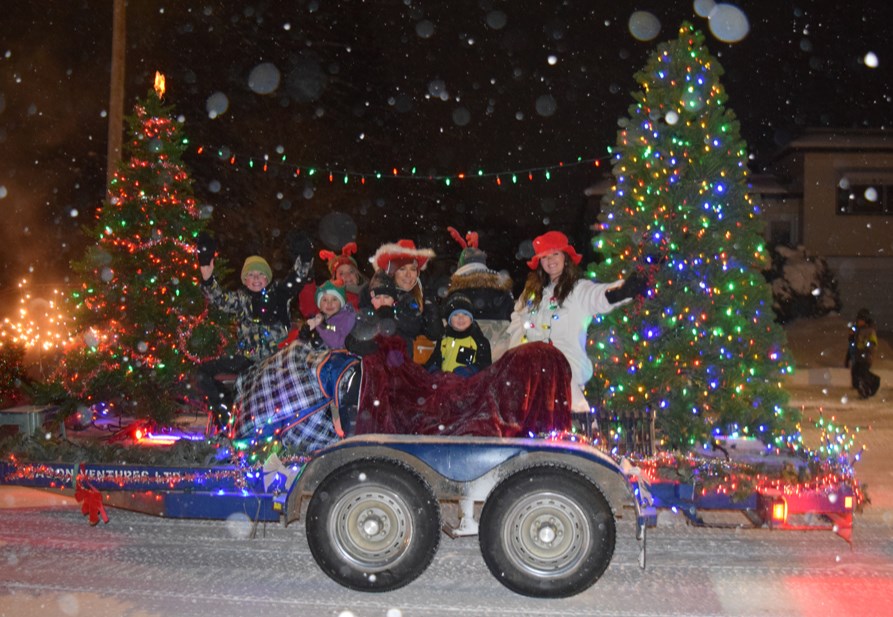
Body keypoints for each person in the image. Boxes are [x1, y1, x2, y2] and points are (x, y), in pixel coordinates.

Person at [507, 230, 647, 414]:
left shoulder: (577, 290)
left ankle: (581, 421)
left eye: (555, 254)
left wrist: (620, 292)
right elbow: (517, 320)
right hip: (532, 371)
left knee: (565, 407)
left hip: (566, 370)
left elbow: (596, 296)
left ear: (565, 257)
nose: (550, 261)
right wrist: (518, 351)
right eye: (545, 256)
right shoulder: (531, 294)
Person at [195, 238, 310, 425]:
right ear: (245, 280)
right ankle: (226, 416)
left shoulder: (278, 295)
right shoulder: (241, 299)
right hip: (247, 360)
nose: (256, 279)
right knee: (203, 373)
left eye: (261, 275)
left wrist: (304, 257)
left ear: (268, 278)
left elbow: (297, 277)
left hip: (276, 360)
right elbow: (219, 299)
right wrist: (207, 277)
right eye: (251, 275)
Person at [368, 239, 443, 363]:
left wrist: (431, 307)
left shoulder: (423, 298)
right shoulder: (379, 296)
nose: (408, 275)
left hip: (415, 367)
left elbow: (435, 333)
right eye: (402, 269)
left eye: (413, 269)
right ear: (392, 272)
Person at [445, 227, 514, 361]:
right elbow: (512, 317)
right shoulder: (503, 290)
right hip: (499, 354)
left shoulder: (455, 291)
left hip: (464, 355)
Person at [425, 293, 492, 376]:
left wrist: (471, 370)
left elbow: (485, 365)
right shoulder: (443, 339)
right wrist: (434, 370)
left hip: (468, 383)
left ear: (471, 319)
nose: (461, 318)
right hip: (444, 381)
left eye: (465, 314)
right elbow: (434, 360)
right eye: (455, 315)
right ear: (449, 320)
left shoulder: (480, 341)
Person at [297, 242, 365, 319]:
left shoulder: (369, 295)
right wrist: (307, 279)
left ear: (358, 275)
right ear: (335, 278)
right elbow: (309, 310)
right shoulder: (329, 296)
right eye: (341, 273)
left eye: (351, 271)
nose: (347, 276)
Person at [298, 280, 357, 350]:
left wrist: (321, 326)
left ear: (341, 303)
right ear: (319, 304)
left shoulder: (347, 318)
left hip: (341, 356)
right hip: (322, 356)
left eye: (334, 299)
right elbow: (329, 329)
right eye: (325, 300)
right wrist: (305, 336)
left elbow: (338, 343)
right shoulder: (321, 318)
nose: (329, 304)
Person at [845, 307, 880, 399]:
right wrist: (851, 338)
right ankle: (864, 388)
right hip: (858, 357)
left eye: (861, 320)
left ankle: (866, 391)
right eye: (858, 320)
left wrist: (866, 345)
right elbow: (853, 344)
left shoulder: (870, 331)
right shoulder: (857, 330)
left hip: (866, 357)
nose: (859, 322)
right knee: (856, 373)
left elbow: (873, 343)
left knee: (862, 374)